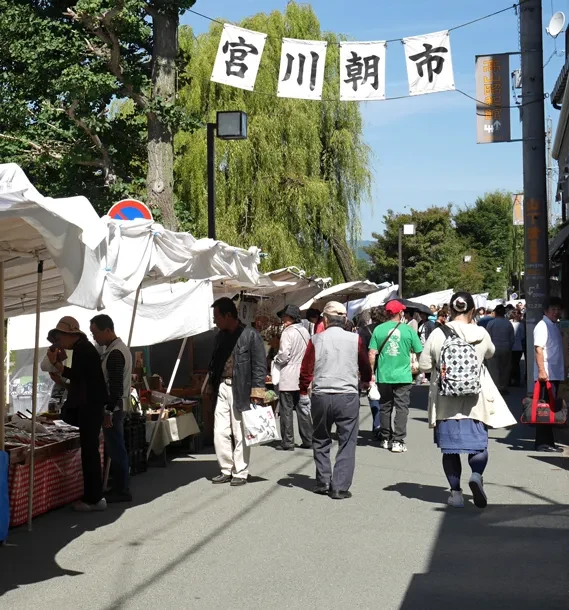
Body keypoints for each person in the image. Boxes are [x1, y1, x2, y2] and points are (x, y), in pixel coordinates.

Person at [419, 292, 505, 509]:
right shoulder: (481, 333)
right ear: (472, 311)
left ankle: (456, 493)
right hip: (475, 401)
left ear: (450, 310)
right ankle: (476, 475)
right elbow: (491, 354)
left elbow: (424, 366)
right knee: (478, 446)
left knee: (450, 450)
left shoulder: (438, 334)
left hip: (446, 402)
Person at [299, 302, 372, 499]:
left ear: (325, 319)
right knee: (347, 440)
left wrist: (303, 390)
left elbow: (306, 369)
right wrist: (365, 380)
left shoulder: (316, 339)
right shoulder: (354, 339)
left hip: (321, 395)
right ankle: (339, 486)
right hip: (347, 395)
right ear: (345, 319)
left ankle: (323, 481)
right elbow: (364, 364)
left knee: (321, 438)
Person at [46, 317, 109, 512]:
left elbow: (78, 377)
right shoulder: (84, 349)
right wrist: (60, 370)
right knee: (90, 451)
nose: (58, 342)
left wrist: (57, 366)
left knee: (89, 453)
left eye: (59, 337)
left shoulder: (83, 349)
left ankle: (93, 498)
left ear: (68, 335)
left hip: (90, 406)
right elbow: (80, 377)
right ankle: (94, 496)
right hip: (92, 405)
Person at [208, 297, 266, 486]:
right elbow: (215, 363)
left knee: (240, 431)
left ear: (228, 315)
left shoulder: (251, 335)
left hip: (241, 388)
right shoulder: (220, 336)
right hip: (223, 387)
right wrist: (211, 384)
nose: (215, 320)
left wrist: (257, 393)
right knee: (220, 431)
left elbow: (259, 366)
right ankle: (226, 468)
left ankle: (240, 471)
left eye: (217, 316)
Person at [368, 300, 423, 453]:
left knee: (385, 406)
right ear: (400, 313)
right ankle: (398, 440)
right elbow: (419, 351)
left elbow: (372, 353)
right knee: (402, 408)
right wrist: (421, 369)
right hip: (403, 375)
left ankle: (386, 438)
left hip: (384, 374)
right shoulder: (408, 330)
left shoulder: (379, 329)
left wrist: (372, 373)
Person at [90, 314, 133, 503]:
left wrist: (108, 410)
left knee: (116, 448)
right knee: (116, 447)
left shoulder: (116, 353)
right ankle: (119, 486)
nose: (95, 338)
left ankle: (121, 489)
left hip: (114, 409)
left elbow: (115, 386)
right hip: (116, 407)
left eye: (96, 333)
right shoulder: (115, 350)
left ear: (107, 330)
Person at [274, 305, 312, 451]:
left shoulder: (287, 333)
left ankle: (288, 442)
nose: (282, 319)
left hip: (289, 375)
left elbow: (284, 355)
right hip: (302, 374)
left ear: (290, 317)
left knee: (286, 409)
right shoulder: (304, 331)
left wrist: (276, 360)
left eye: (284, 316)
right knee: (302, 409)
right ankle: (308, 439)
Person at [533, 296, 565, 453]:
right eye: (553, 309)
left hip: (554, 373)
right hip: (546, 375)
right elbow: (538, 349)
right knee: (544, 408)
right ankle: (542, 442)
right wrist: (541, 371)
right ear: (546, 310)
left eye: (558, 309)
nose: (556, 312)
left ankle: (549, 442)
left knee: (550, 408)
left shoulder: (553, 325)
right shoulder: (542, 326)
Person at [359, 307, 388, 438]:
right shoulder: (390, 329)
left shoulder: (365, 330)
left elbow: (361, 351)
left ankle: (377, 424)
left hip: (371, 366)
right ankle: (385, 426)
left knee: (374, 395)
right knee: (387, 398)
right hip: (388, 365)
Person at [486, 305, 515, 394]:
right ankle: (503, 387)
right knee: (505, 368)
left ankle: (496, 387)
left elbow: (488, 337)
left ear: (496, 313)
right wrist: (509, 347)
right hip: (506, 347)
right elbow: (512, 338)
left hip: (494, 347)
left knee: (493, 368)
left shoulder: (491, 323)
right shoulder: (508, 323)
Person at [510, 309, 526, 387]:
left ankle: (514, 380)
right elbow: (522, 336)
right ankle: (515, 380)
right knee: (514, 364)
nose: (516, 315)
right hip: (515, 347)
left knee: (513, 364)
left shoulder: (510, 323)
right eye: (515, 313)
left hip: (513, 347)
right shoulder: (520, 324)